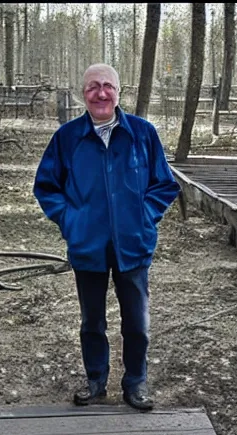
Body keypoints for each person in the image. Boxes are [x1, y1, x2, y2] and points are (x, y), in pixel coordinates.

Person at [33, 63, 180, 411]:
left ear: (119, 91)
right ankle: (96, 380)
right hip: (88, 247)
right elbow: (46, 187)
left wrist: (144, 218)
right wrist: (72, 221)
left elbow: (164, 184)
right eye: (92, 87)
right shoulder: (67, 138)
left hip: (133, 245)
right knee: (92, 321)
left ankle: (136, 382)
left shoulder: (143, 134)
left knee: (136, 322)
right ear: (82, 93)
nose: (101, 93)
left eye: (107, 87)